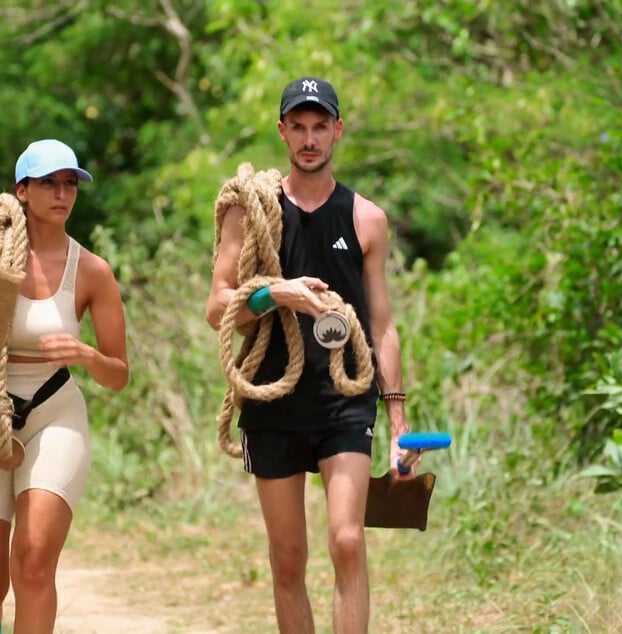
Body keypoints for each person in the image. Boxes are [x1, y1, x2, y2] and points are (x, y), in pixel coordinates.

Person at [205, 77, 413, 634]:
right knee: (288, 558)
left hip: (344, 398)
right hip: (272, 399)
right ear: (282, 132)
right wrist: (277, 292)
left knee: (347, 540)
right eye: (298, 126)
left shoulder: (367, 218)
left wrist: (397, 418)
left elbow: (383, 325)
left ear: (337, 131)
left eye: (320, 126)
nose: (309, 138)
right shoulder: (251, 212)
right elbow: (217, 305)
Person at [0, 139, 129, 634]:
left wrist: (88, 355)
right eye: (49, 183)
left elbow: (118, 374)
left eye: (70, 183)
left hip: (54, 411)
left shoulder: (92, 271)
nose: (62, 194)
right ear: (22, 190)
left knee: (34, 560)